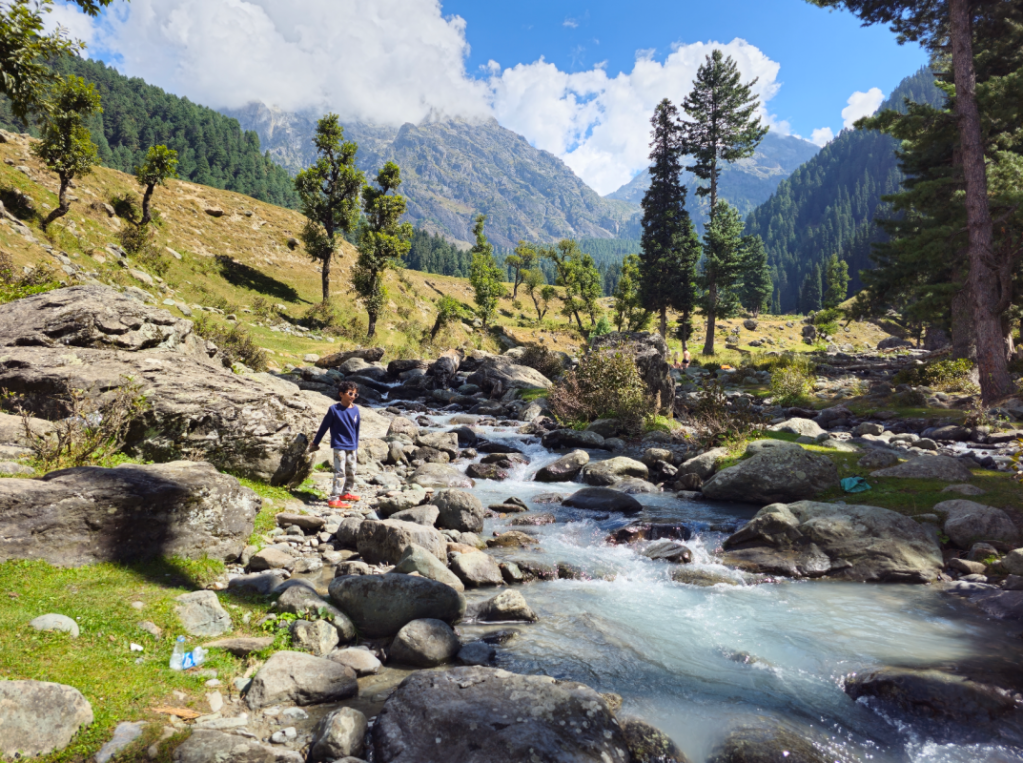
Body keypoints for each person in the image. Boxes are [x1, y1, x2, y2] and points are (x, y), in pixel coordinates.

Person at [311, 381, 361, 509]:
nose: (352, 396)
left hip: (352, 446)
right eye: (350, 393)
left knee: (352, 471)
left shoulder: (355, 410)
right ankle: (334, 498)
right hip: (339, 445)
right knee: (340, 471)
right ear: (341, 394)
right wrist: (316, 442)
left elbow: (356, 428)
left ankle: (346, 493)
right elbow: (324, 426)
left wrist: (356, 444)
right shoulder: (334, 409)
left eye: (355, 394)